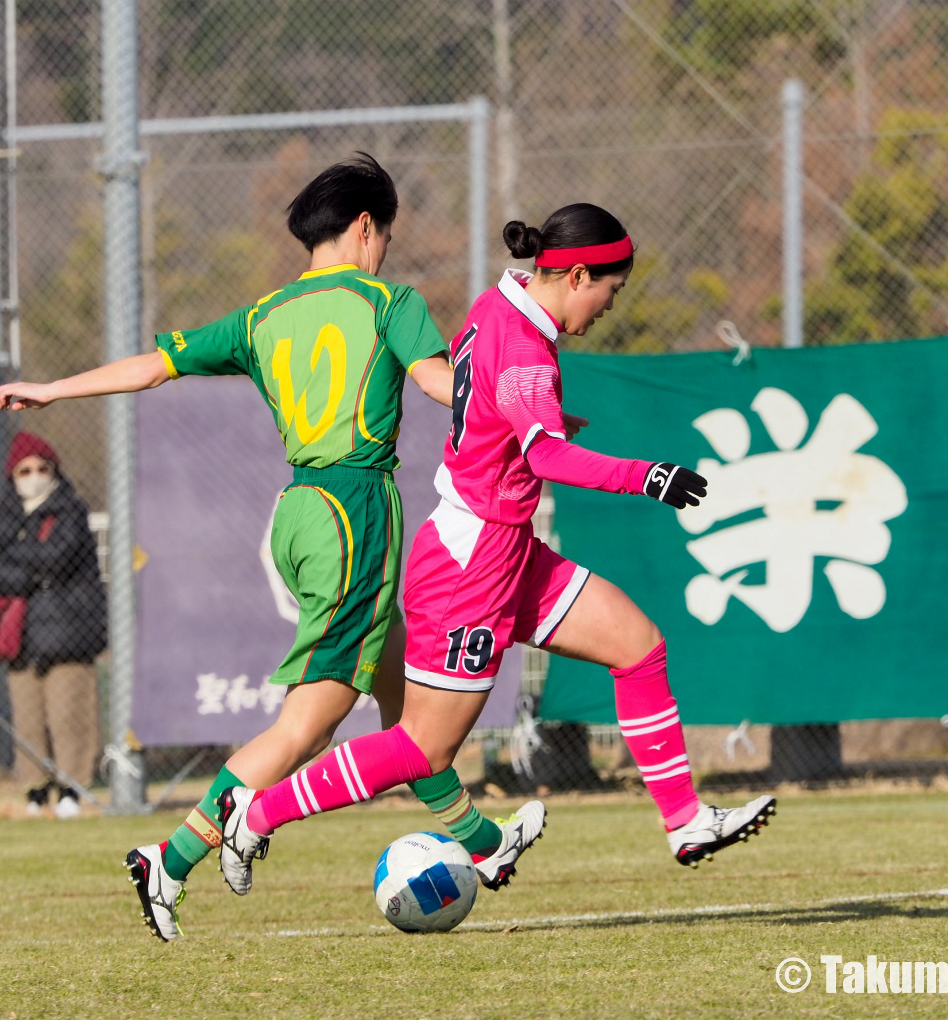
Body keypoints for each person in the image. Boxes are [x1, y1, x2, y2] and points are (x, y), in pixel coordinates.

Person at [0, 154, 543, 941]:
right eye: (384, 234)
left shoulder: (262, 315)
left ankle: (482, 846)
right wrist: (525, 406)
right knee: (304, 730)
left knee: (401, 704)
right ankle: (171, 858)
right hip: (355, 512)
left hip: (297, 513)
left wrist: (50, 389)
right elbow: (434, 382)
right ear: (364, 229)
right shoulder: (390, 300)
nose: (384, 249)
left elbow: (155, 366)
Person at [215, 204, 778, 885]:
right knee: (421, 749)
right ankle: (255, 815)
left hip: (505, 546)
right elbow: (549, 460)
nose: (607, 305)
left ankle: (685, 821)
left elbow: (476, 395)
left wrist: (523, 418)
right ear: (576, 275)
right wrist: (648, 476)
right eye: (610, 289)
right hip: (472, 561)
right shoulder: (526, 348)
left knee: (638, 646)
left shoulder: (497, 303)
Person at [0, 431, 107, 818]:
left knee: (69, 714)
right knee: (28, 717)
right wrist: (28, 575)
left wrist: (12, 555)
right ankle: (35, 789)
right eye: (24, 470)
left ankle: (72, 788)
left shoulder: (70, 510)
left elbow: (58, 558)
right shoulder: (5, 515)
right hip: (22, 636)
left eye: (41, 468)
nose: (33, 476)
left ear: (54, 471)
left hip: (68, 631)